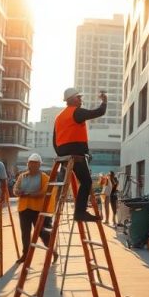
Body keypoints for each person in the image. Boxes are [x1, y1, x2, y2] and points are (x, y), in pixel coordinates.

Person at [53, 87, 107, 221]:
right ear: (73, 99)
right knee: (86, 182)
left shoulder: (59, 117)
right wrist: (104, 101)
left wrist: (61, 155)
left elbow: (55, 140)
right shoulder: (76, 112)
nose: (81, 100)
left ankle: (76, 211)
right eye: (79, 98)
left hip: (64, 152)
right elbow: (99, 112)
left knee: (81, 181)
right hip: (75, 153)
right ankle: (80, 212)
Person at [13, 153, 51, 262]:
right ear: (28, 164)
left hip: (37, 210)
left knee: (41, 232)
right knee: (25, 233)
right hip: (24, 209)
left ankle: (52, 250)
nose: (33, 166)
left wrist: (29, 194)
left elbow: (43, 192)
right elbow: (15, 189)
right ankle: (25, 255)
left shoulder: (44, 177)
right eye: (31, 163)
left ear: (39, 165)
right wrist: (18, 192)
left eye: (35, 163)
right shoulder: (22, 176)